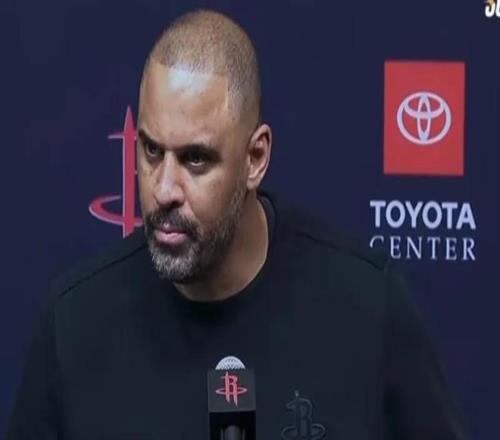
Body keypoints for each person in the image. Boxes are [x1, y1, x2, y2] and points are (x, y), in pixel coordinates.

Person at [6, 9, 467, 440]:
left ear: (255, 158)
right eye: (151, 151)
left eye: (196, 159)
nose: (164, 188)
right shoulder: (75, 322)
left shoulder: (367, 304)